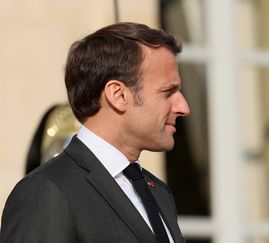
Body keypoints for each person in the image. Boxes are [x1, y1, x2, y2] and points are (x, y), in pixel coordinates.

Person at [0, 22, 190, 243]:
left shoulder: (158, 192)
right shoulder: (49, 192)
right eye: (168, 92)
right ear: (118, 95)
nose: (184, 107)